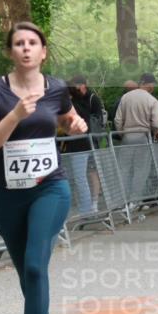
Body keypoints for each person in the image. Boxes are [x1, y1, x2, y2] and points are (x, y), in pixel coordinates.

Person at [0, 22, 87, 314]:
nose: (25, 48)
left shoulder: (56, 88)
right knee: (26, 271)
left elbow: (69, 118)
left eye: (32, 43)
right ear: (10, 52)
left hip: (49, 189)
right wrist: (15, 115)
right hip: (8, 193)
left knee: (37, 266)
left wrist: (75, 125)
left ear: (43, 52)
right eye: (18, 43)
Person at [114, 73, 158, 204]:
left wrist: (123, 133)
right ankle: (135, 200)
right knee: (141, 170)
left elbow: (118, 120)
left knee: (124, 169)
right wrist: (156, 132)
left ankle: (122, 200)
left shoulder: (125, 97)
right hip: (143, 137)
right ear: (150, 85)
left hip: (127, 137)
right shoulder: (152, 100)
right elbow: (156, 124)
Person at [65, 76, 107, 214]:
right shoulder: (81, 102)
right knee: (87, 174)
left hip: (81, 144)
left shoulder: (79, 103)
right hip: (89, 143)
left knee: (83, 176)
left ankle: (88, 208)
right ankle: (90, 206)